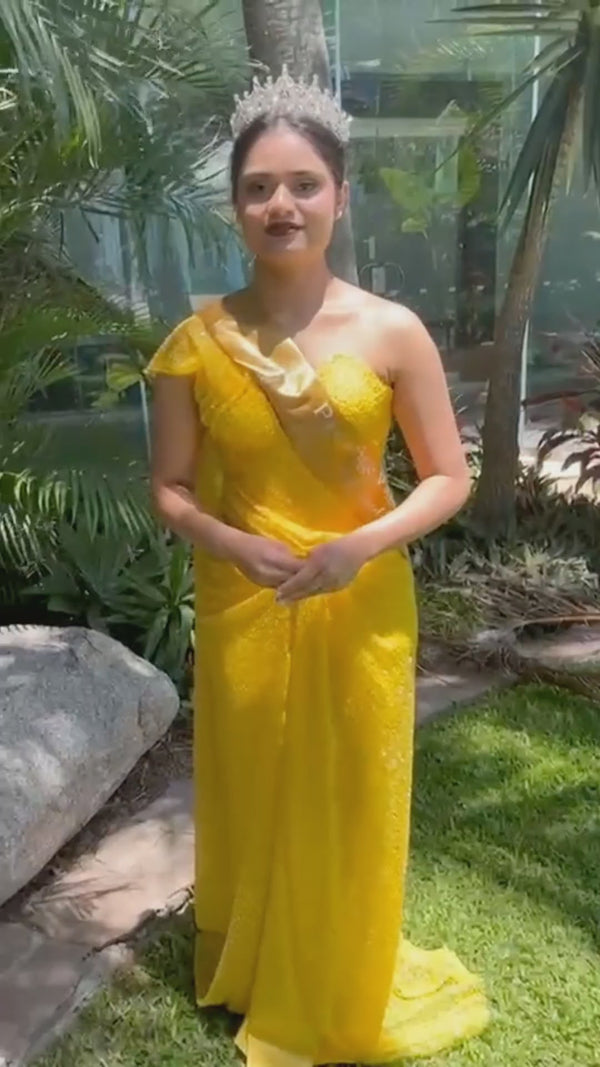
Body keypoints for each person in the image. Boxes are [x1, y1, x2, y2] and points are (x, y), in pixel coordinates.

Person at [149, 68, 489, 1067]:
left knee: (347, 796)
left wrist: (358, 546)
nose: (281, 205)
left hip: (361, 599)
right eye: (258, 187)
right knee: (253, 785)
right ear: (236, 205)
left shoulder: (392, 331)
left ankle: (336, 974)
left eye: (303, 183)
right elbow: (170, 487)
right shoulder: (196, 343)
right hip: (244, 602)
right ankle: (256, 965)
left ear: (341, 195)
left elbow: (448, 476)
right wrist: (231, 542)